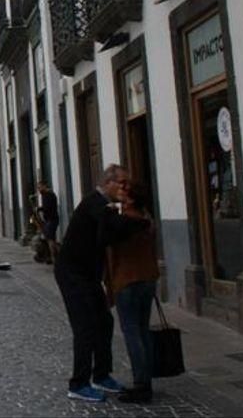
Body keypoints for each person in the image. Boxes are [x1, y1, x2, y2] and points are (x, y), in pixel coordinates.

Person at [54, 164, 148, 403]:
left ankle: (102, 375)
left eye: (127, 183)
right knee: (84, 327)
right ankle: (78, 383)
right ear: (108, 183)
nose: (126, 188)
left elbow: (107, 235)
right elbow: (114, 228)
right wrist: (141, 222)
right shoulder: (95, 203)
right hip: (72, 273)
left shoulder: (105, 206)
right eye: (122, 183)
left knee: (104, 322)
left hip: (89, 274)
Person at [106, 182, 160, 404]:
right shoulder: (147, 219)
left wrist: (109, 285)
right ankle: (146, 379)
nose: (118, 195)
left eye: (122, 193)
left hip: (127, 280)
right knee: (142, 329)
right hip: (148, 277)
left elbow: (112, 254)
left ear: (129, 199)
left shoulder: (122, 221)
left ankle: (141, 384)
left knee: (132, 332)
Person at [37, 182, 61, 264]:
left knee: (50, 239)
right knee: (51, 239)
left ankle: (55, 258)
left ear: (44, 186)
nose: (39, 190)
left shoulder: (48, 195)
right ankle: (51, 257)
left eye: (40, 187)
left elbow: (47, 207)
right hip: (50, 220)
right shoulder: (47, 195)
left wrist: (39, 209)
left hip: (51, 220)